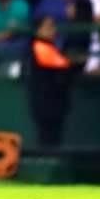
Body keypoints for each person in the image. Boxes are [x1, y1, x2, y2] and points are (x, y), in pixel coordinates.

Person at [27, 16, 73, 147]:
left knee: (54, 137)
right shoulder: (39, 47)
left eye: (53, 26)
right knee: (47, 139)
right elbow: (63, 66)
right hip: (46, 103)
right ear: (38, 30)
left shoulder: (50, 47)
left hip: (55, 103)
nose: (53, 30)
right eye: (48, 27)